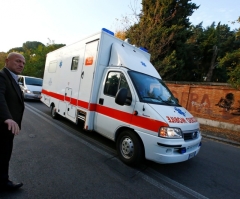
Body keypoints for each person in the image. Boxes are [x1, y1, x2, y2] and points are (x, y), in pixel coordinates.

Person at [0, 52, 25, 191]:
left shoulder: (12, 78)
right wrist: (7, 117)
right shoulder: (2, 76)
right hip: (3, 127)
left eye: (23, 63)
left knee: (4, 156)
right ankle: (4, 183)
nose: (21, 64)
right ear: (7, 61)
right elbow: (0, 97)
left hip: (8, 129)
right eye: (18, 61)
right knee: (3, 156)